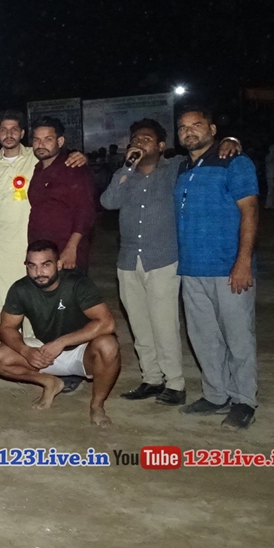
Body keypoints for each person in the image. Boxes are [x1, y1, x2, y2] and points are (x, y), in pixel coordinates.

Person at [173, 107, 259, 430]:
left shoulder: (234, 162)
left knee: (239, 338)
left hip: (228, 268)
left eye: (196, 125)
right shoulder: (182, 167)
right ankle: (215, 395)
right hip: (191, 268)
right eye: (183, 127)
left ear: (212, 129)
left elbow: (250, 212)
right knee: (203, 337)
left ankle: (244, 400)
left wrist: (243, 261)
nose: (189, 131)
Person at [0, 240, 121, 427]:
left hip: (82, 352)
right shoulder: (21, 288)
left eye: (45, 265)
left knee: (108, 345)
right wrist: (26, 351)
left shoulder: (77, 284)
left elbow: (107, 323)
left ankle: (97, 405)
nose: (39, 272)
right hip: (44, 350)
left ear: (58, 264)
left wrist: (62, 342)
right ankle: (49, 382)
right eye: (32, 266)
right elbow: (7, 328)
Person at [99, 119, 187, 406]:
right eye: (135, 139)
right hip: (128, 260)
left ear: (161, 146)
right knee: (139, 324)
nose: (139, 142)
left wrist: (230, 141)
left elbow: (201, 154)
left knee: (164, 325)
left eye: (146, 139)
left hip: (162, 258)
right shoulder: (125, 174)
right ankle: (151, 378)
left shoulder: (174, 169)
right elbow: (108, 202)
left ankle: (175, 383)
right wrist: (126, 168)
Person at [0, 110, 87, 339]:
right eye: (4, 130)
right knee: (2, 304)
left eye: (14, 129)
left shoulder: (36, 156)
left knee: (35, 303)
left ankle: (35, 353)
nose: (9, 134)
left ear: (22, 133)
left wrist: (80, 156)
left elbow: (60, 158)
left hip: (31, 245)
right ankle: (4, 353)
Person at [27, 116, 96, 272]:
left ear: (60, 141)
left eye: (48, 139)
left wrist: (72, 248)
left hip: (66, 254)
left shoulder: (74, 168)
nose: (41, 145)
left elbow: (86, 211)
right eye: (37, 140)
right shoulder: (37, 169)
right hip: (40, 254)